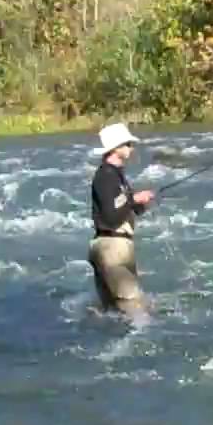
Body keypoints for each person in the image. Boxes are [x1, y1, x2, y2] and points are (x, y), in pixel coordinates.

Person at [88, 122, 156, 320]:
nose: (131, 148)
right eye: (127, 144)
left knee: (114, 312)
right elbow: (111, 215)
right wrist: (134, 199)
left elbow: (128, 207)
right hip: (112, 248)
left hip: (116, 247)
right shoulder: (105, 176)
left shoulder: (117, 176)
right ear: (116, 148)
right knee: (136, 310)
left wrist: (140, 202)